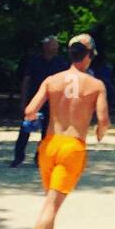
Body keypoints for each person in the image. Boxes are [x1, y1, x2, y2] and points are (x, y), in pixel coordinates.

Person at [12, 34, 110, 229]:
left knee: (49, 202)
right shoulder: (95, 85)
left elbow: (30, 110)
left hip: (49, 145)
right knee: (52, 205)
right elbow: (103, 120)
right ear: (88, 56)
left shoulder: (51, 80)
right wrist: (100, 132)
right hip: (72, 147)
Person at [10, 36, 67, 167]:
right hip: (35, 100)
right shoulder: (34, 61)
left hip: (52, 102)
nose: (57, 47)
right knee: (25, 130)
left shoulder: (61, 63)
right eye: (54, 45)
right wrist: (23, 100)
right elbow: (26, 81)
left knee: (47, 133)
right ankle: (18, 157)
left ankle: (39, 157)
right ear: (46, 47)